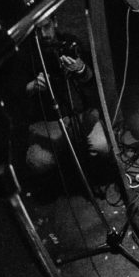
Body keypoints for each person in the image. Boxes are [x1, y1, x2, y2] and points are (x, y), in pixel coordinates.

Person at [23, 16, 109, 184]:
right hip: (47, 123)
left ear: (55, 22)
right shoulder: (27, 53)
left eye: (47, 26)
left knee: (102, 147)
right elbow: (17, 92)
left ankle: (94, 177)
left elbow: (93, 80)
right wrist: (32, 86)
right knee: (38, 162)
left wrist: (81, 69)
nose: (43, 34)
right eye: (38, 30)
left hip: (79, 115)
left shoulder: (70, 43)